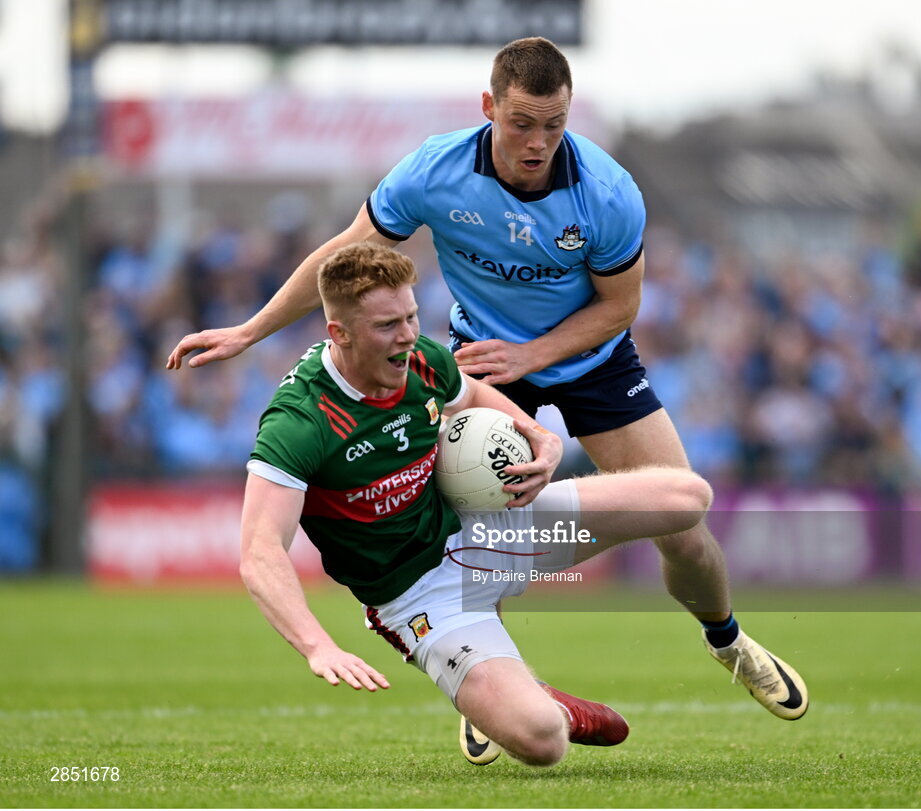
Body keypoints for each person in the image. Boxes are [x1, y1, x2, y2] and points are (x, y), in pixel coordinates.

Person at [170, 37, 809, 757]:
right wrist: (250, 331)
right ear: (488, 109)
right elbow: (343, 252)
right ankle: (487, 681)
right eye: (522, 123)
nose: (538, 143)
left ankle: (727, 640)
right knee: (470, 518)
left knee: (686, 526)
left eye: (555, 125)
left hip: (589, 357)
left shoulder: (606, 193)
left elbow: (621, 306)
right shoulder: (435, 170)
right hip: (480, 363)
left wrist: (534, 354)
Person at [241, 243, 807, 768]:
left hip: (491, 531)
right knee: (543, 744)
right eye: (387, 325)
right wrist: (316, 646)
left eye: (412, 317)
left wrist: (539, 435)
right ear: (337, 333)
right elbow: (260, 551)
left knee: (687, 497)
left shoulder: (421, 360)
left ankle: (727, 641)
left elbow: (472, 393)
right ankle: (531, 698)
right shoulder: (300, 423)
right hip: (423, 598)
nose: (408, 336)